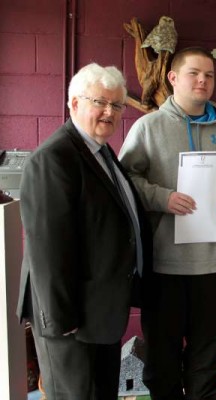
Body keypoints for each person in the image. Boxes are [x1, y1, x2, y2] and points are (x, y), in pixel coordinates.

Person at [16, 63, 151, 400]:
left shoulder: (101, 150)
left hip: (100, 310)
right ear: (74, 103)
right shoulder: (53, 159)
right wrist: (61, 319)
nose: (110, 112)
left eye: (117, 105)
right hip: (70, 319)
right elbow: (47, 248)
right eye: (100, 102)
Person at [119, 47, 216, 400]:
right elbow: (125, 181)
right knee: (163, 359)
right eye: (194, 73)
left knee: (206, 355)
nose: (202, 80)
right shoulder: (149, 127)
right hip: (165, 264)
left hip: (212, 263)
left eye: (209, 75)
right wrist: (163, 198)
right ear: (173, 78)